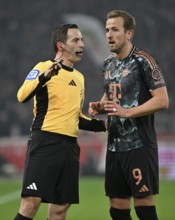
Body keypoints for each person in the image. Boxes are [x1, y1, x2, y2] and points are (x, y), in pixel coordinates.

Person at [14, 23, 106, 220]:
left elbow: (76, 117)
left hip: (70, 147)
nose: (82, 44)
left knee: (60, 209)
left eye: (82, 39)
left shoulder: (80, 78)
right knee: (31, 204)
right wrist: (45, 77)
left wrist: (104, 125)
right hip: (45, 142)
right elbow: (21, 96)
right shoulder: (42, 67)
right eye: (76, 40)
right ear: (60, 45)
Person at [88, 10, 169, 220]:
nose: (108, 34)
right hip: (114, 146)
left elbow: (162, 100)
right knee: (117, 207)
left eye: (115, 29)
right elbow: (111, 92)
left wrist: (128, 112)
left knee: (143, 205)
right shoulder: (108, 63)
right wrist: (100, 106)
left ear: (129, 34)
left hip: (139, 145)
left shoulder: (144, 60)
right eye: (107, 30)